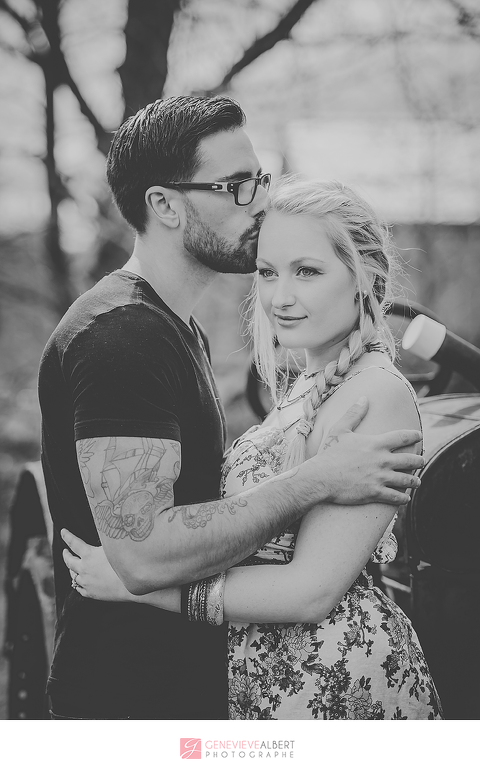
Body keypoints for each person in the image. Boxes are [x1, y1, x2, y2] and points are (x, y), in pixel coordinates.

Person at [39, 95, 425, 720]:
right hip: (127, 701)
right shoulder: (122, 337)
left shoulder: (174, 329)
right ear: (163, 205)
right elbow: (143, 556)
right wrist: (314, 480)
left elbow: (307, 584)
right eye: (236, 185)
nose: (259, 202)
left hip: (255, 689)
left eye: (260, 180)